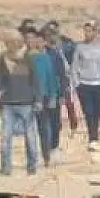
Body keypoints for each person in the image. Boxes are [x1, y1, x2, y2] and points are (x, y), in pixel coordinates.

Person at [0, 34, 42, 175]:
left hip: (26, 103)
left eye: (15, 42)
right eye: (10, 42)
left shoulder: (28, 59)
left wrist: (38, 100)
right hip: (8, 103)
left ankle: (32, 166)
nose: (12, 45)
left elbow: (35, 80)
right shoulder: (3, 60)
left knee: (30, 137)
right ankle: (6, 168)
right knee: (5, 137)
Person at [71, 20, 100, 152]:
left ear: (95, 32)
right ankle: (92, 138)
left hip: (99, 84)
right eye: (85, 31)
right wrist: (76, 83)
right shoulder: (79, 47)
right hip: (84, 84)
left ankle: (95, 136)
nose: (87, 34)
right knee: (88, 111)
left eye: (89, 31)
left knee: (97, 111)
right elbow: (75, 66)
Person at [25, 27, 61, 168]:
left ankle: (46, 156)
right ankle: (32, 158)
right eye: (27, 39)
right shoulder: (23, 58)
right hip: (27, 97)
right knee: (29, 129)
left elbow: (51, 78)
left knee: (44, 128)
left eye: (32, 39)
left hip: (44, 96)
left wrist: (53, 96)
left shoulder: (44, 57)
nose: (29, 42)